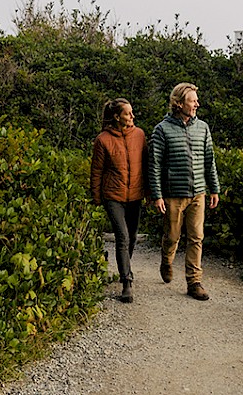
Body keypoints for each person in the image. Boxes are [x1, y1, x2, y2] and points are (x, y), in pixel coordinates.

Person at [149, 82, 220, 301]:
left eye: (196, 100)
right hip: (173, 194)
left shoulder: (203, 127)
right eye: (192, 100)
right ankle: (167, 260)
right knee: (172, 236)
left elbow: (210, 160)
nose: (197, 103)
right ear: (179, 103)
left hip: (198, 192)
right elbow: (154, 164)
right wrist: (157, 195)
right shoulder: (161, 129)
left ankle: (194, 282)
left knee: (196, 237)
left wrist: (214, 188)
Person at [91, 97, 148, 304]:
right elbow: (96, 171)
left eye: (132, 113)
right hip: (113, 196)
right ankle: (127, 282)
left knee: (131, 237)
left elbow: (146, 165)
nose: (132, 116)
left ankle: (126, 268)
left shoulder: (140, 135)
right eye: (128, 113)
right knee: (122, 237)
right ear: (117, 117)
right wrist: (96, 197)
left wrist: (149, 193)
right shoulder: (102, 140)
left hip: (135, 195)